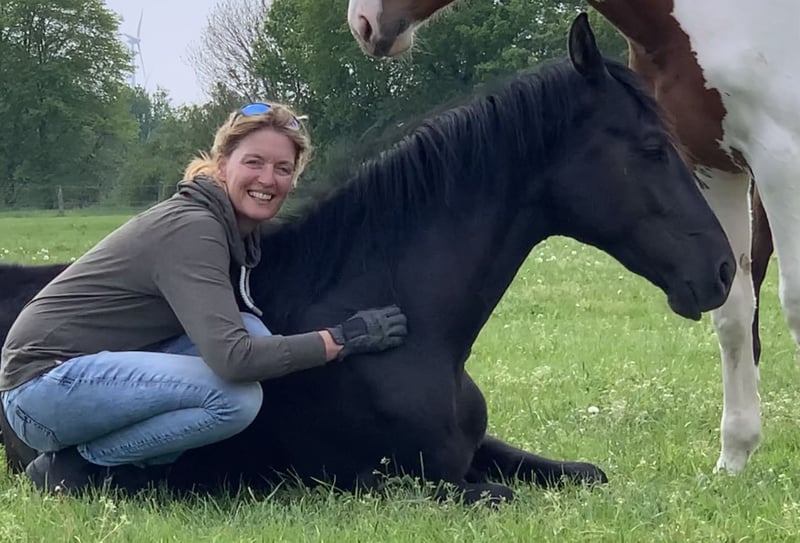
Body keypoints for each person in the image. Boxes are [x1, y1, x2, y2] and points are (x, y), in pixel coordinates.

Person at [0, 101, 408, 494]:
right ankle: (85, 465)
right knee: (236, 398)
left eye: (283, 168)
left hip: (87, 370)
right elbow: (235, 360)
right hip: (40, 387)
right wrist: (339, 339)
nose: (268, 179)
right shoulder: (194, 228)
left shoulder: (231, 229)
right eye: (254, 162)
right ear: (222, 164)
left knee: (252, 329)